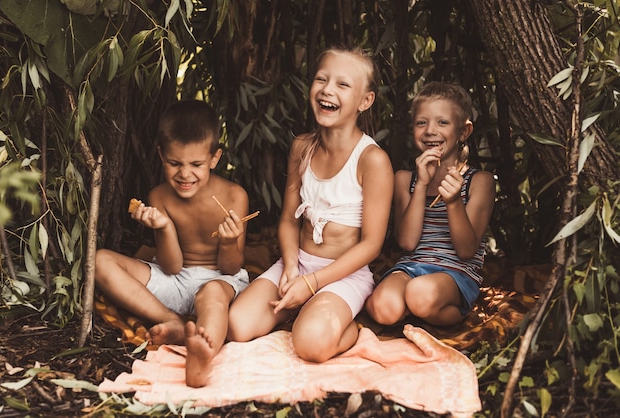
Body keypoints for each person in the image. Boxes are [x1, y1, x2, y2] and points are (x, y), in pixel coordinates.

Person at [227, 46, 394, 363]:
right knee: (237, 326)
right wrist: (291, 267)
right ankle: (305, 309)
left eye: (343, 84)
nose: (327, 89)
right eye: (321, 79)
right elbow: (289, 219)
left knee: (311, 346)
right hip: (298, 265)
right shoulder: (302, 146)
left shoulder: (372, 160)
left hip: (343, 276)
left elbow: (372, 244)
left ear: (365, 100)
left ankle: (348, 328)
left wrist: (312, 283)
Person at [95, 100, 251, 388]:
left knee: (213, 295)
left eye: (196, 164)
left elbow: (231, 267)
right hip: (174, 278)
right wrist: (164, 227)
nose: (185, 174)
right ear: (161, 156)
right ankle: (173, 321)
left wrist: (229, 243)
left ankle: (204, 352)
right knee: (100, 260)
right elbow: (171, 265)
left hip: (218, 280)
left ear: (214, 158)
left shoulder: (234, 196)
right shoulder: (160, 196)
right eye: (174, 163)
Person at [365, 81, 495, 327]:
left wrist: (454, 201)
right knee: (382, 308)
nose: (430, 131)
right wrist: (422, 185)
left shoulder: (479, 181)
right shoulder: (405, 179)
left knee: (419, 295)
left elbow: (466, 250)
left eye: (442, 122)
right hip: (411, 266)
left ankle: (438, 312)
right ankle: (418, 312)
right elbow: (407, 242)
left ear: (463, 132)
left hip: (454, 274)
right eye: (421, 122)